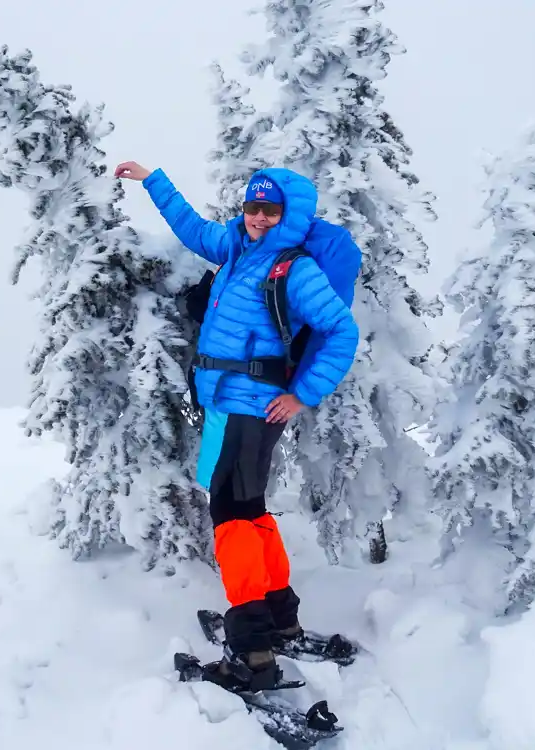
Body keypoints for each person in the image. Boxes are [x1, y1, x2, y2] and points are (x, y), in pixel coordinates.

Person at [115, 160, 360, 691]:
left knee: (230, 516)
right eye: (253, 207)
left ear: (288, 214)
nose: (259, 217)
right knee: (249, 510)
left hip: (255, 405)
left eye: (271, 210)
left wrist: (303, 395)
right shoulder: (236, 249)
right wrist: (154, 179)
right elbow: (191, 227)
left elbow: (341, 331)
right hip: (230, 401)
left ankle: (252, 652)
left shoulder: (293, 269)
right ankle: (279, 620)